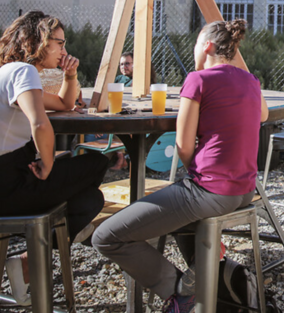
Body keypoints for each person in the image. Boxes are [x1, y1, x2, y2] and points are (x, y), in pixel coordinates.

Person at [93, 19, 269, 313]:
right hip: (243, 191)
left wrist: (195, 169)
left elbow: (184, 146)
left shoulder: (198, 80)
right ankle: (205, 270)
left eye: (197, 43)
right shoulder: (250, 81)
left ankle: (180, 292)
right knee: (178, 215)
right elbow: (262, 115)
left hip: (209, 191)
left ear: (208, 47)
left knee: (106, 237)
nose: (194, 50)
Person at [0, 11, 109, 304]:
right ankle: (33, 256)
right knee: (96, 162)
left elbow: (65, 103)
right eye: (59, 43)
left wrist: (70, 75)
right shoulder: (22, 72)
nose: (64, 51)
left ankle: (29, 258)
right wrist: (49, 162)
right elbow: (40, 124)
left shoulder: (9, 73)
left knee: (89, 200)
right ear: (34, 40)